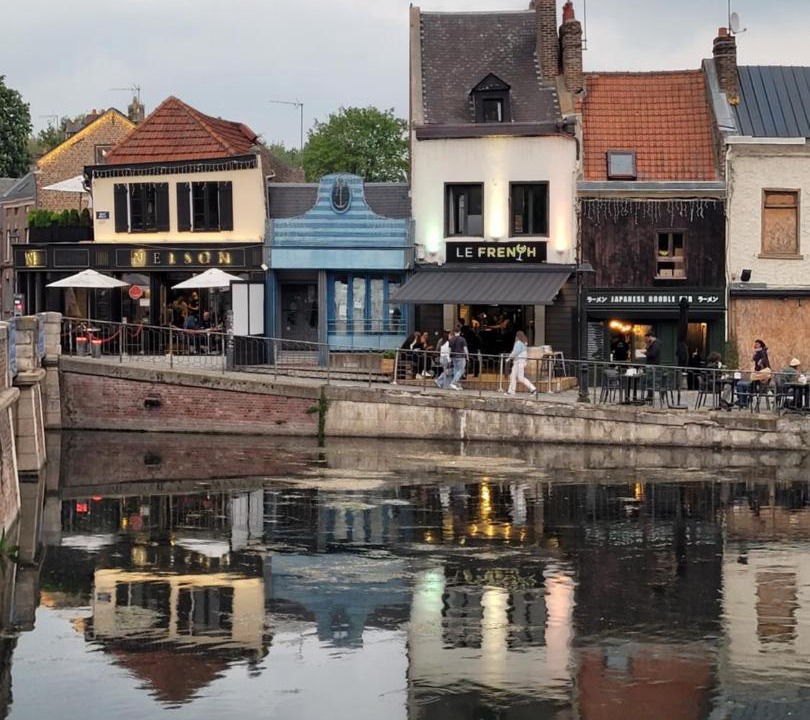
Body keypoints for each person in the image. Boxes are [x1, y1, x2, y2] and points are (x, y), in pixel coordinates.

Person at [736, 339, 770, 408]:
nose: (755, 345)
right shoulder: (758, 353)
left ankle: (743, 401)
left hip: (757, 383)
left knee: (740, 384)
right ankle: (743, 401)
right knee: (742, 384)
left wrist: (760, 362)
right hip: (756, 383)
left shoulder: (762, 353)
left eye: (756, 344)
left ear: (760, 344)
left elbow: (763, 359)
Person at [506, 330, 537, 396]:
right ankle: (511, 391)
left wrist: (509, 358)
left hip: (518, 362)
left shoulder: (518, 343)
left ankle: (533, 389)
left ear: (517, 336)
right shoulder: (523, 343)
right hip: (521, 362)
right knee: (513, 376)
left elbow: (515, 352)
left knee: (519, 378)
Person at [448, 326, 469, 390]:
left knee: (456, 370)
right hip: (461, 356)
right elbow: (465, 349)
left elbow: (449, 349)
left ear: (454, 332)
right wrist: (467, 356)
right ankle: (453, 383)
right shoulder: (462, 339)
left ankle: (455, 384)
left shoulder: (451, 339)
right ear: (460, 332)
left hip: (454, 356)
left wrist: (449, 357)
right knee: (461, 370)